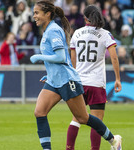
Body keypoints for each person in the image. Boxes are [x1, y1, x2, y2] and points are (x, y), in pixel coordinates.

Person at [30, 1, 122, 150]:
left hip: (67, 80)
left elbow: (60, 57)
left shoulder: (54, 30)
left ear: (47, 14)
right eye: (34, 12)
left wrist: (39, 57)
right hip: (56, 80)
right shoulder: (48, 30)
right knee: (39, 112)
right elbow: (64, 58)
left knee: (82, 118)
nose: (34, 16)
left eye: (36, 13)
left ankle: (113, 140)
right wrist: (50, 74)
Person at [66, 5, 122, 150]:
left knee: (76, 119)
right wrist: (117, 78)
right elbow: (114, 58)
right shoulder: (105, 34)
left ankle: (69, 148)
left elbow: (73, 60)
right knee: (96, 120)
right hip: (96, 83)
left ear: (84, 17)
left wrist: (73, 78)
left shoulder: (77, 33)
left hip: (79, 82)